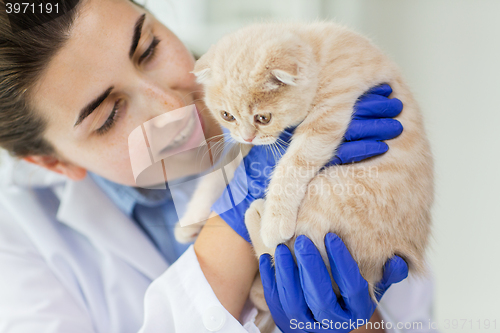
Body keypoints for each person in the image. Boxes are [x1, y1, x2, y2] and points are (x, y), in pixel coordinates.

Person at [0, 0, 437, 332]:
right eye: (109, 116)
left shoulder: (299, 88)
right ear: (52, 162)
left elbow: (413, 316)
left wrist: (363, 326)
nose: (173, 105)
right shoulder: (16, 241)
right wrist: (233, 220)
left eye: (149, 48)